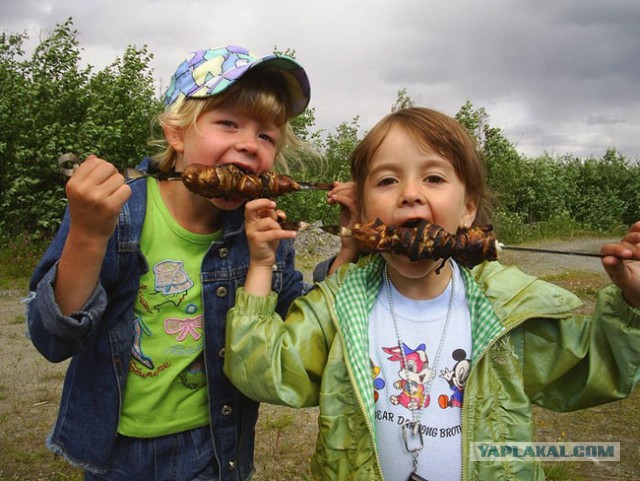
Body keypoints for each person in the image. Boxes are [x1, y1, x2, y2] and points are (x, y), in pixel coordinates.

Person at [224, 107, 640, 481]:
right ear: (365, 213)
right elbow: (261, 371)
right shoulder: (338, 306)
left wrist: (634, 303)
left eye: (434, 178)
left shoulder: (505, 309)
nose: (410, 193)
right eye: (387, 180)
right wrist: (261, 266)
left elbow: (598, 368)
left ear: (468, 208)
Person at [25, 45, 350, 481]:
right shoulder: (117, 213)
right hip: (122, 453)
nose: (248, 145)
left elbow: (295, 319)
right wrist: (87, 233)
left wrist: (350, 245)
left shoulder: (263, 224)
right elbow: (53, 339)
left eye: (266, 135)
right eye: (228, 122)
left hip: (219, 445)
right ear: (177, 133)